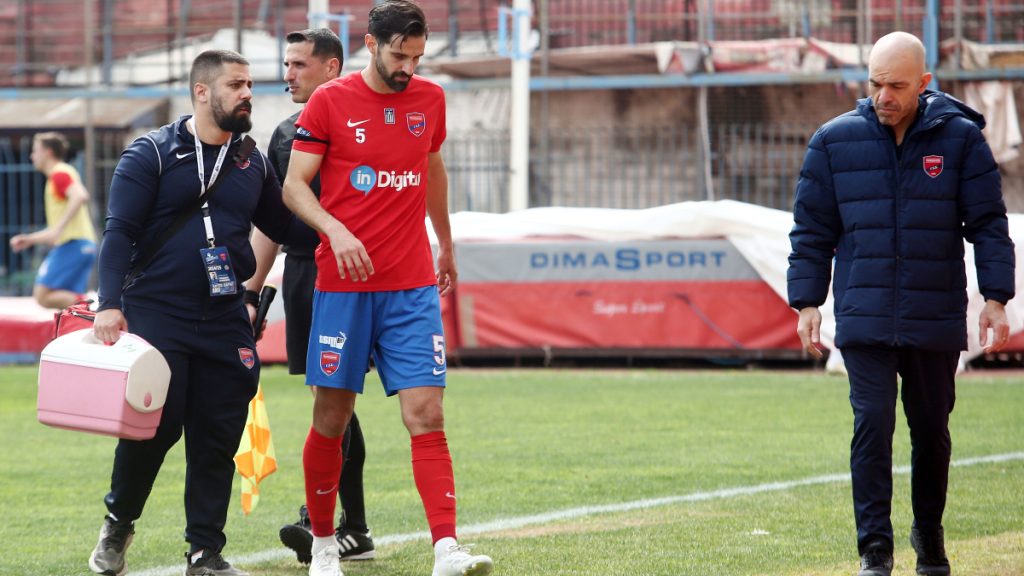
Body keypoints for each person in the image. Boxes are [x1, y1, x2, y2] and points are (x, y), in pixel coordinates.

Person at [787, 31, 1015, 576]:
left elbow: (988, 224)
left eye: (896, 86)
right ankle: (875, 550)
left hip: (934, 314)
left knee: (931, 431)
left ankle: (928, 535)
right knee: (872, 426)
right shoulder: (832, 141)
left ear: (924, 83)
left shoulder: (962, 141)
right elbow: (812, 230)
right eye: (875, 84)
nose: (883, 96)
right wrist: (807, 301)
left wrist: (996, 297)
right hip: (863, 313)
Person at [281, 2, 494, 575]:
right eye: (400, 55)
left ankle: (446, 549)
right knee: (332, 417)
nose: (409, 68)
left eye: (418, 57)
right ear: (371, 45)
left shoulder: (430, 100)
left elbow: (432, 169)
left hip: (411, 286)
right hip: (344, 288)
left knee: (427, 413)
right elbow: (294, 187)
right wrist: (335, 230)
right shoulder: (329, 102)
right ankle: (324, 546)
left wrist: (445, 243)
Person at [89, 49, 316, 576]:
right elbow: (118, 234)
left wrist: (344, 224)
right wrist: (110, 304)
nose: (247, 93)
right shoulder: (151, 153)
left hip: (224, 315)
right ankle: (119, 521)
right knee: (155, 427)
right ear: (202, 91)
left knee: (217, 435)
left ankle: (204, 552)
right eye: (236, 85)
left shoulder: (251, 160)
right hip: (157, 312)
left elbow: (287, 228)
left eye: (249, 84)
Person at [247, 28, 376, 565]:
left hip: (351, 272)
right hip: (303, 273)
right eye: (287, 64)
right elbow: (273, 222)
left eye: (299, 64)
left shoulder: (367, 121)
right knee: (329, 397)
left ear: (332, 67)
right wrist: (252, 291)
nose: (288, 74)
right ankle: (347, 526)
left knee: (336, 398)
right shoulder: (285, 133)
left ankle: (338, 523)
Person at [9, 132, 97, 309]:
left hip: (73, 245)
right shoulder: (60, 175)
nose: (32, 156)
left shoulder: (59, 174)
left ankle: (95, 306)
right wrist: (29, 239)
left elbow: (80, 195)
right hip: (81, 244)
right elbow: (54, 231)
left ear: (48, 152)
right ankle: (89, 309)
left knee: (43, 295)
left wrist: (58, 229)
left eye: (35, 151)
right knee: (64, 301)